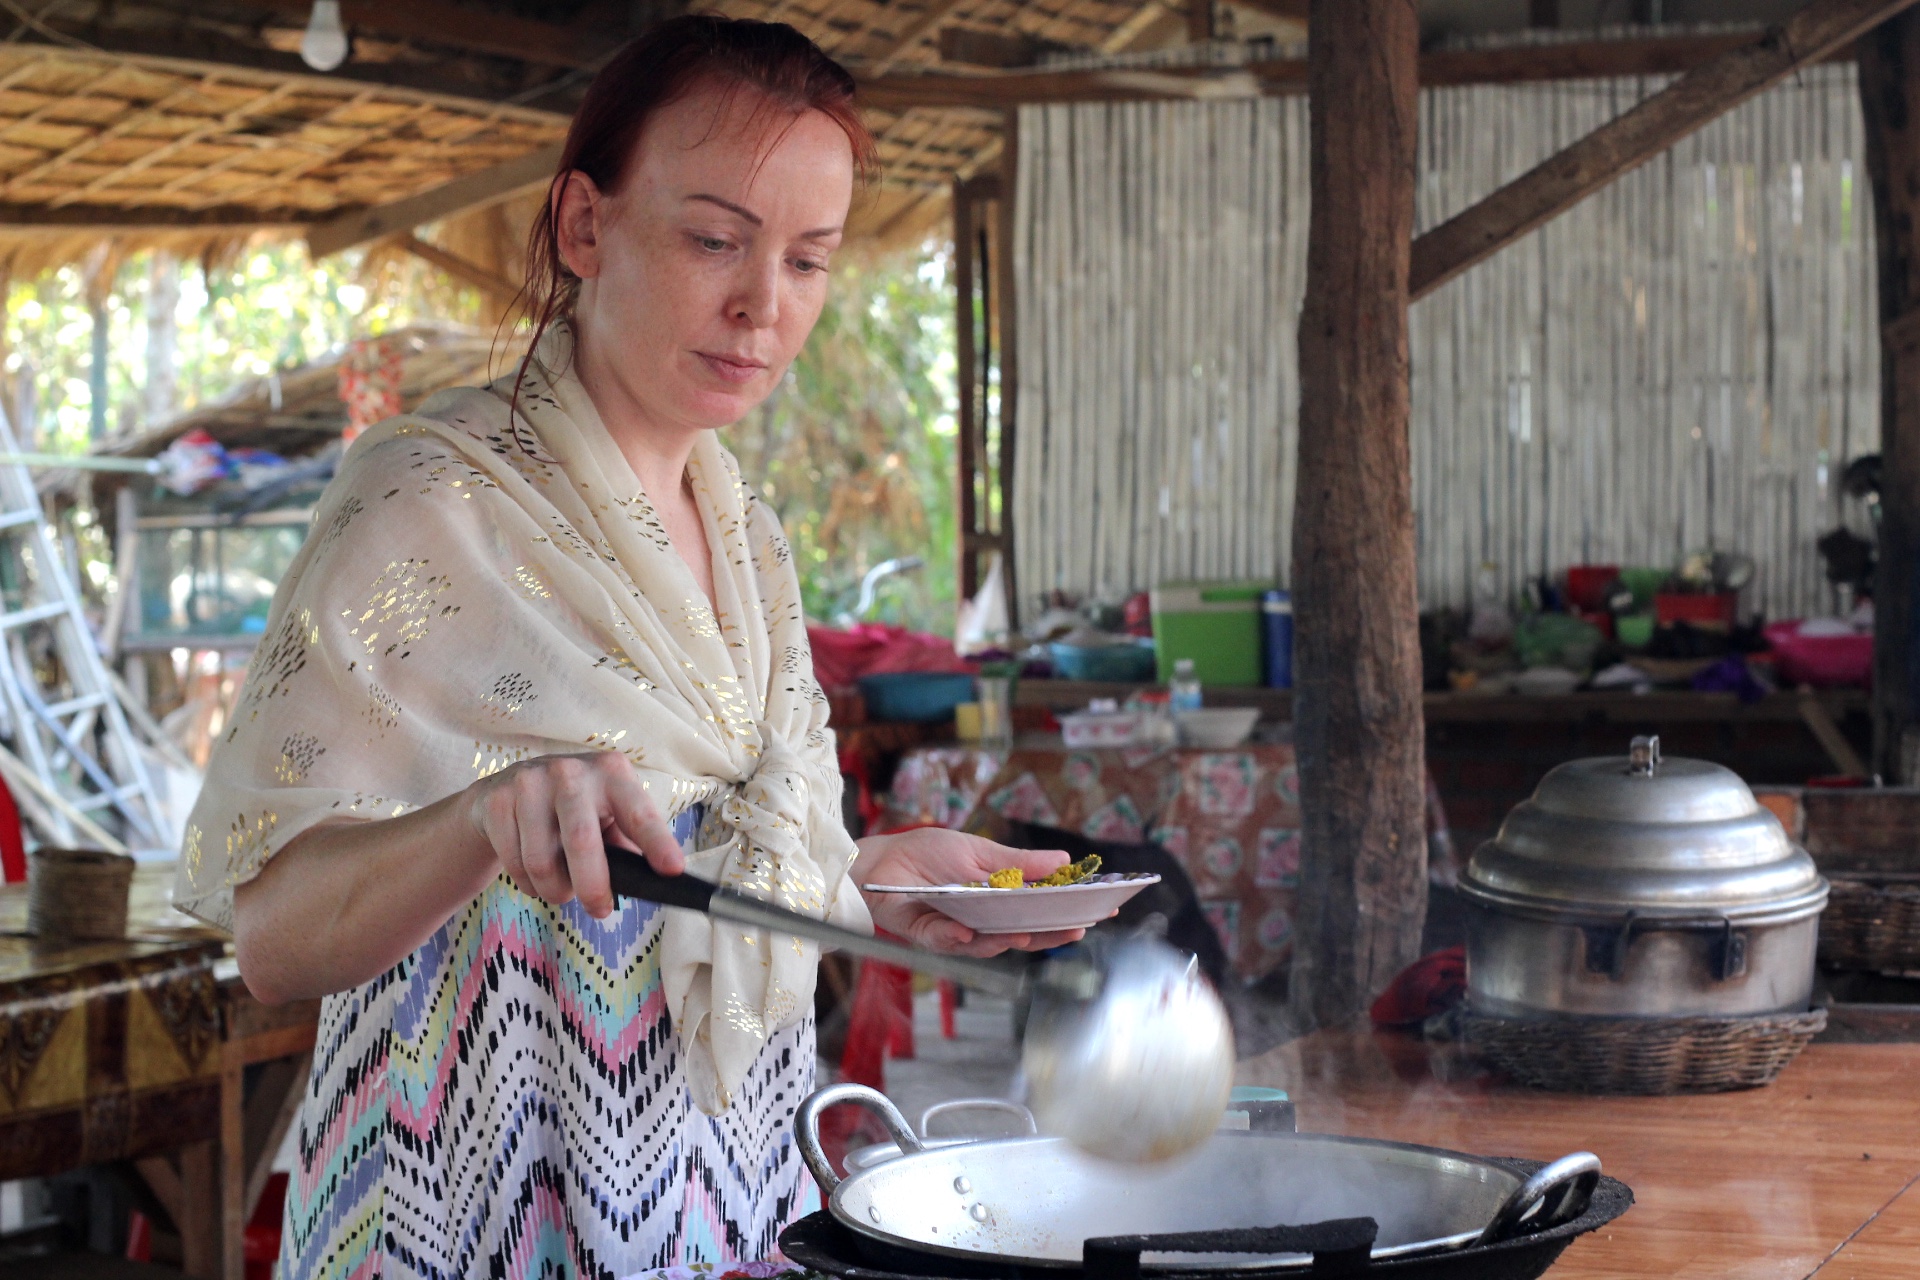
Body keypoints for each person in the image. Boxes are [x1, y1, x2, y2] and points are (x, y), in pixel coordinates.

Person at [176, 18, 1083, 1278]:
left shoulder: (748, 538)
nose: (764, 305)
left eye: (809, 260)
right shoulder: (428, 504)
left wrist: (873, 877)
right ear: (583, 226)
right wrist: (482, 820)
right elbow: (273, 938)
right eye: (715, 238)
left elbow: (699, 869)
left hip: (720, 1195)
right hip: (467, 1194)